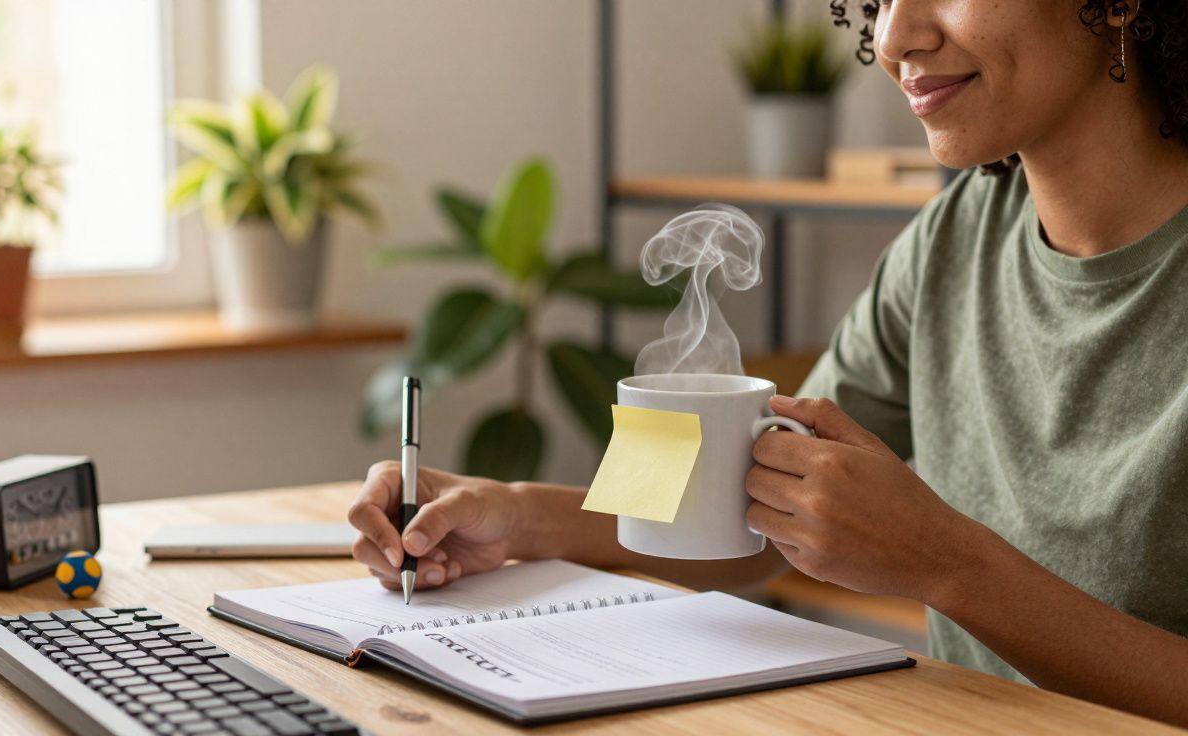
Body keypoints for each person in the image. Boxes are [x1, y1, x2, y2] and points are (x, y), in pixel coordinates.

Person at [348, 0, 1188, 726]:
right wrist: (516, 515)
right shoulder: (954, 240)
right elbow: (763, 512)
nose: (895, 36)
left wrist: (946, 563)